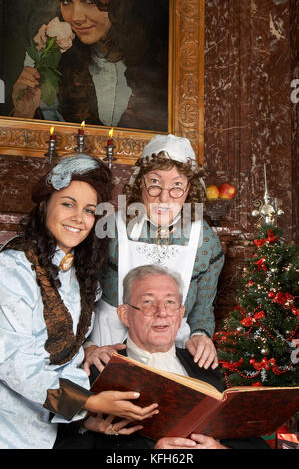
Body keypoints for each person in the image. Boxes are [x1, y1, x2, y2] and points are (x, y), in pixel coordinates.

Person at [0, 154, 158, 449]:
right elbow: (16, 367)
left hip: (52, 427)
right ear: (45, 205)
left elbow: (64, 353)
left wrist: (83, 415)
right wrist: (91, 402)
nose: (79, 218)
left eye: (89, 210)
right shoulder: (12, 269)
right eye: (68, 204)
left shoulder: (78, 272)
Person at [60, 265, 269, 449]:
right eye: (148, 302)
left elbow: (250, 440)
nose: (162, 312)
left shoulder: (205, 367)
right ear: (125, 315)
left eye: (170, 302)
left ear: (180, 314)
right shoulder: (97, 368)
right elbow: (63, 442)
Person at [85, 134, 225, 371]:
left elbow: (202, 309)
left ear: (189, 188)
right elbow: (81, 296)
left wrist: (202, 334)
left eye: (177, 186)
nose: (164, 196)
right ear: (140, 183)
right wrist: (87, 347)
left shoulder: (205, 241)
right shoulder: (110, 229)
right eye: (155, 183)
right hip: (107, 350)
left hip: (172, 354)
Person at [11, 0, 168, 131]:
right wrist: (23, 113)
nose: (76, 17)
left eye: (89, 1)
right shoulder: (47, 56)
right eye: (66, 1)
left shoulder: (167, 55)